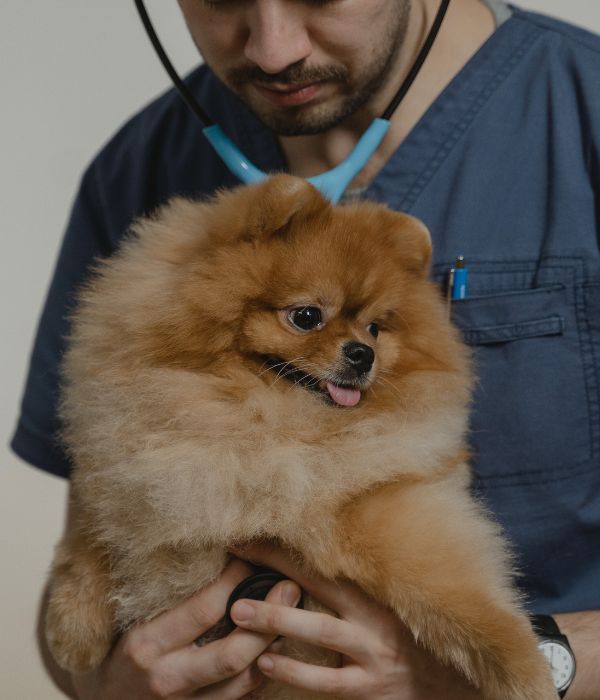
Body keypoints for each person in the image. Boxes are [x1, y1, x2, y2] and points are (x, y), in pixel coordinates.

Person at [11, 0, 600, 697]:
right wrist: (113, 683)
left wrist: (530, 666)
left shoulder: (580, 113)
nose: (273, 49)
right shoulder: (137, 172)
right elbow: (82, 595)